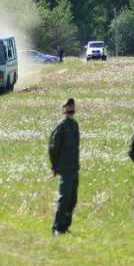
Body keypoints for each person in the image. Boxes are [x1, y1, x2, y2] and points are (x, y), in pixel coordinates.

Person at [48, 98, 80, 236]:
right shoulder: (61, 126)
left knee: (72, 199)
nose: (70, 107)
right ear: (63, 109)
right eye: (68, 105)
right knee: (64, 198)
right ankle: (57, 228)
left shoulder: (75, 125)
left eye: (72, 105)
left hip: (74, 167)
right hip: (64, 168)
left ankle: (66, 225)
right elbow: (53, 147)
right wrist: (55, 166)